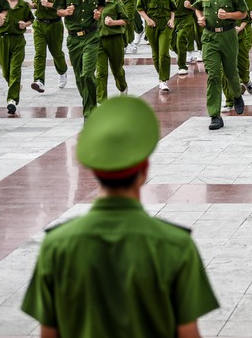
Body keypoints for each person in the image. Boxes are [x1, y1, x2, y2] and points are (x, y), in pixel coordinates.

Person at [21, 96, 219, 337]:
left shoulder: (56, 246)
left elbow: (49, 334)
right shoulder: (176, 246)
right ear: (144, 170)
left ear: (94, 170)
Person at [193, 0, 247, 130]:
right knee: (214, 75)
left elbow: (243, 13)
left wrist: (228, 15)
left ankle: (237, 95)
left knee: (231, 73)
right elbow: (197, 8)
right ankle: (214, 115)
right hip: (209, 37)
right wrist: (200, 18)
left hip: (228, 35)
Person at [54, 0, 105, 118]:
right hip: (74, 38)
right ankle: (90, 102)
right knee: (79, 77)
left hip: (91, 36)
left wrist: (99, 13)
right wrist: (65, 12)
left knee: (88, 73)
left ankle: (90, 112)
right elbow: (57, 9)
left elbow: (102, 4)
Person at [0, 0, 33, 115]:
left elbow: (31, 19)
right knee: (6, 71)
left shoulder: (24, 5)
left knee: (15, 70)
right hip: (2, 40)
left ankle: (12, 100)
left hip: (18, 40)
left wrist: (25, 24)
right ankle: (15, 86)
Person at [137, 0, 177, 92]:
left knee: (164, 52)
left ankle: (163, 80)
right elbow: (139, 8)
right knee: (155, 54)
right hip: (152, 25)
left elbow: (173, 8)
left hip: (165, 25)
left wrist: (172, 20)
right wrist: (147, 19)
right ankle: (161, 76)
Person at [224, 0, 252, 111]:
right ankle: (231, 97)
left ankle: (245, 79)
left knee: (243, 59)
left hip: (245, 30)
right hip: (229, 31)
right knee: (230, 63)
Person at [95, 0, 128, 102]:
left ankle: (123, 87)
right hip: (98, 40)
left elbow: (126, 20)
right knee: (101, 72)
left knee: (117, 70)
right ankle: (101, 101)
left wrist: (114, 22)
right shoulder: (94, 3)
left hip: (114, 39)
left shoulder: (116, 3)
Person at [169, 0, 198, 76]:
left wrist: (191, 6)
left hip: (187, 18)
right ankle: (181, 54)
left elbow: (198, 7)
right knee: (172, 43)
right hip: (173, 19)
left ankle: (182, 66)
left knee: (181, 38)